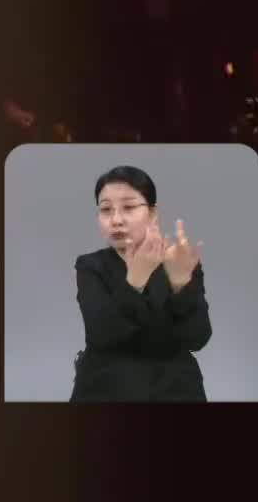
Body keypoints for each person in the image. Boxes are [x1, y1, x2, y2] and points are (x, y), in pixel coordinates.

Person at [70, 165, 211, 401]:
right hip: (104, 387)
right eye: (106, 209)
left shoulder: (179, 260)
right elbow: (101, 335)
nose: (116, 219)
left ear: (153, 214)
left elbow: (198, 338)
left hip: (175, 388)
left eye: (128, 207)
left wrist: (180, 285)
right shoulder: (91, 265)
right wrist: (136, 277)